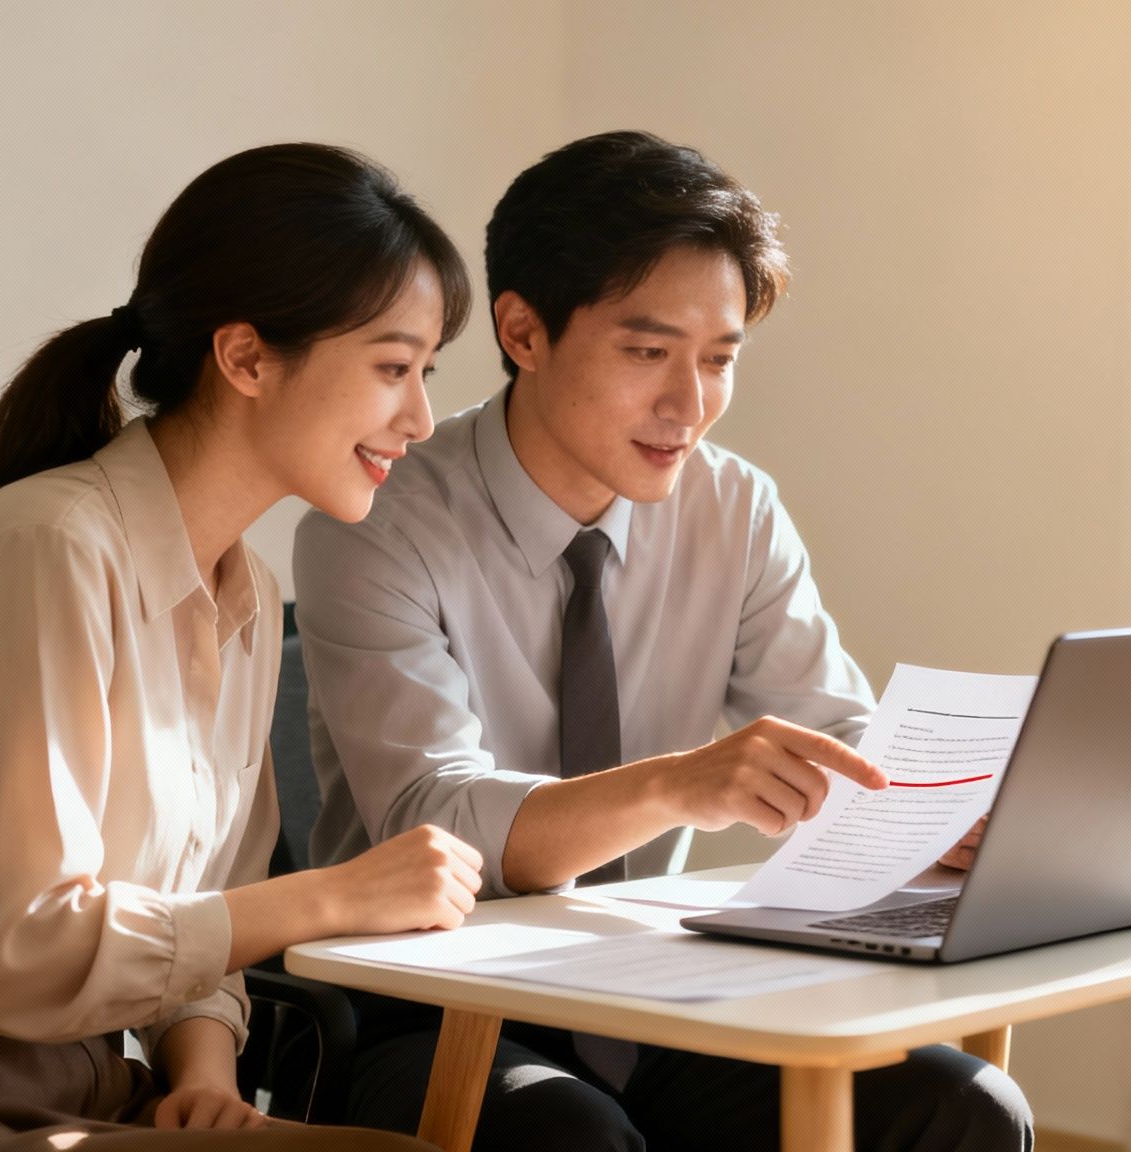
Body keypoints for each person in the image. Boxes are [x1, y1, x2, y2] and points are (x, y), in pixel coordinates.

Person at [0, 143, 485, 1152]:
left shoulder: (245, 594)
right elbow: (20, 952)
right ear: (246, 356)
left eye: (424, 374)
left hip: (85, 1086)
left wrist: (205, 1070)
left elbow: (199, 919)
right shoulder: (48, 551)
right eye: (392, 368)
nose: (420, 418)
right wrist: (333, 895)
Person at [294, 131, 1032, 1151]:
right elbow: (438, 820)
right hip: (425, 1001)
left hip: (649, 988)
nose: (688, 408)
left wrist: (941, 812)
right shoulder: (376, 521)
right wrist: (682, 784)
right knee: (569, 1137)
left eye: (718, 360)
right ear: (522, 330)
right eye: (646, 353)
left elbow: (838, 731)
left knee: (962, 1108)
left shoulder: (733, 508)